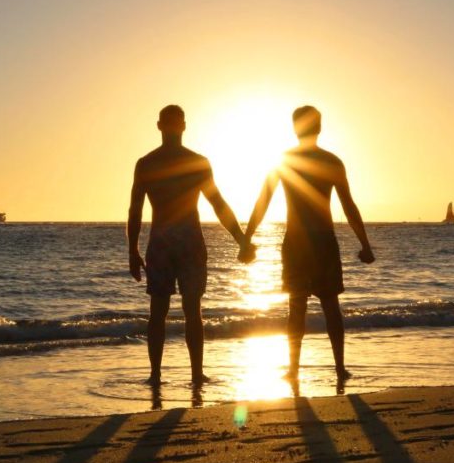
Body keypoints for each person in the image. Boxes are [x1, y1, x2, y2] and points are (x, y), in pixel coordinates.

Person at [243, 105, 374, 381]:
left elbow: (263, 200)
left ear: (295, 128)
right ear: (320, 127)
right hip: (323, 241)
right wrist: (365, 244)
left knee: (297, 307)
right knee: (330, 306)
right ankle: (338, 368)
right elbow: (348, 205)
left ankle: (294, 369)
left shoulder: (285, 160)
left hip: (297, 242)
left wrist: (247, 237)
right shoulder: (331, 161)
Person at [128, 105, 256, 385]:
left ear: (165, 126)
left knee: (168, 311)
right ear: (167, 126)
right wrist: (242, 240)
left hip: (171, 242)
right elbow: (136, 210)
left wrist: (242, 239)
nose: (173, 129)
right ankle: (183, 374)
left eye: (173, 125)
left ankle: (164, 375)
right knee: (181, 311)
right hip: (181, 242)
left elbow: (218, 204)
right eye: (172, 124)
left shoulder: (151, 163)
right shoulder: (162, 163)